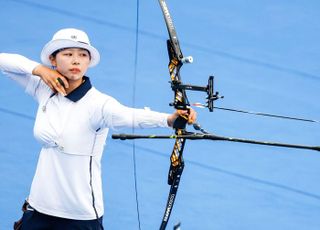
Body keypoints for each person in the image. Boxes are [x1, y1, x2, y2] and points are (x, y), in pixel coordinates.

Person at [0, 28, 196, 229]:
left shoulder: (99, 104)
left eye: (83, 55)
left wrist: (170, 119)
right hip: (38, 208)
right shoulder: (44, 89)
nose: (76, 61)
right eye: (68, 54)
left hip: (80, 216)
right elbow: (4, 62)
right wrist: (39, 70)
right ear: (53, 59)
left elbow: (130, 116)